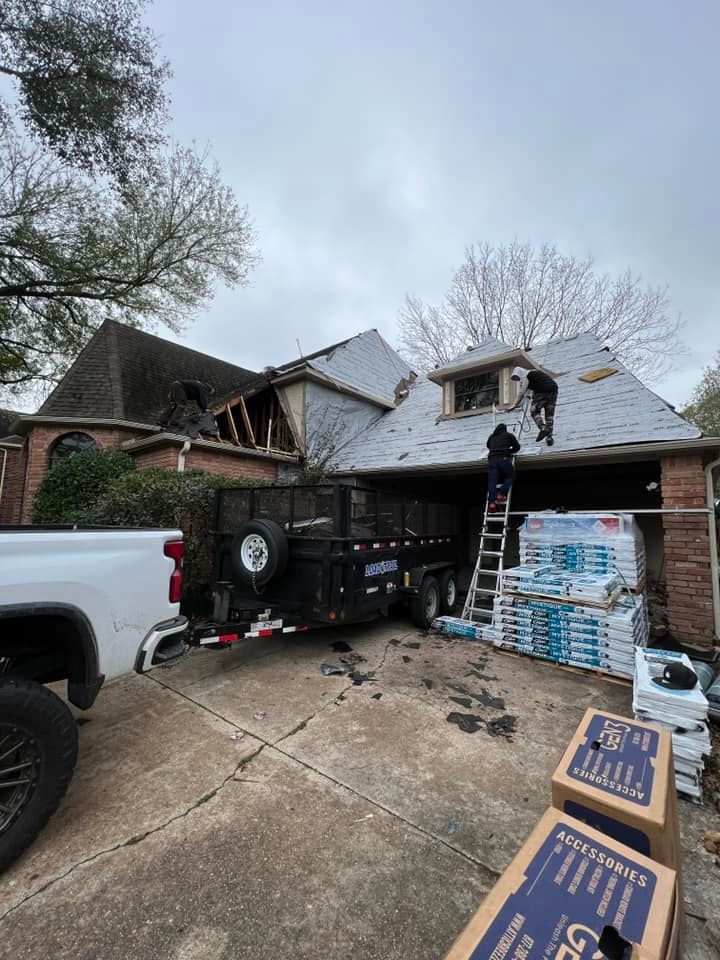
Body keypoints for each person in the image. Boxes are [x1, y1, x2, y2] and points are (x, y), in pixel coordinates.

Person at [510, 366, 559, 446]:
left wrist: (514, 405)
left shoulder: (526, 376)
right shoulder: (535, 374)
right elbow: (528, 392)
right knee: (549, 415)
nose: (518, 380)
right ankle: (549, 437)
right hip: (554, 390)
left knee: (534, 411)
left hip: (542, 391)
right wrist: (526, 398)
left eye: (518, 377)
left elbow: (522, 392)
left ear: (519, 373)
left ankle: (543, 428)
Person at [486, 423, 520, 512]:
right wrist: (509, 450)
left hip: (492, 460)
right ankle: (501, 494)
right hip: (503, 458)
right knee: (510, 476)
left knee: (492, 481)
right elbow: (517, 447)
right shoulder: (508, 435)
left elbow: (488, 445)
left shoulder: (491, 436)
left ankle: (492, 503)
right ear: (505, 429)